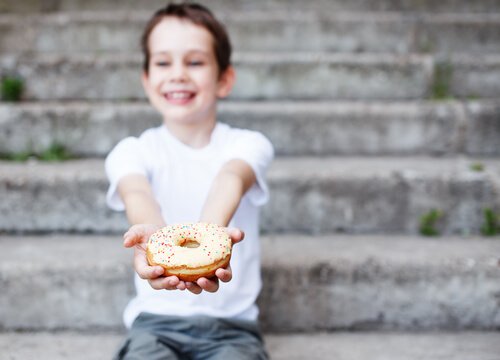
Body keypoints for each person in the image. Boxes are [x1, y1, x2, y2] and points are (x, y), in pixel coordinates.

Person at [104, 2, 274, 359]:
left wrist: (208, 237)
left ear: (224, 79)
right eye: (163, 62)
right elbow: (136, 191)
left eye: (195, 62)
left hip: (232, 328)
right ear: (147, 78)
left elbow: (230, 177)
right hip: (154, 323)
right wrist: (151, 231)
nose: (178, 74)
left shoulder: (248, 144)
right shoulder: (131, 151)